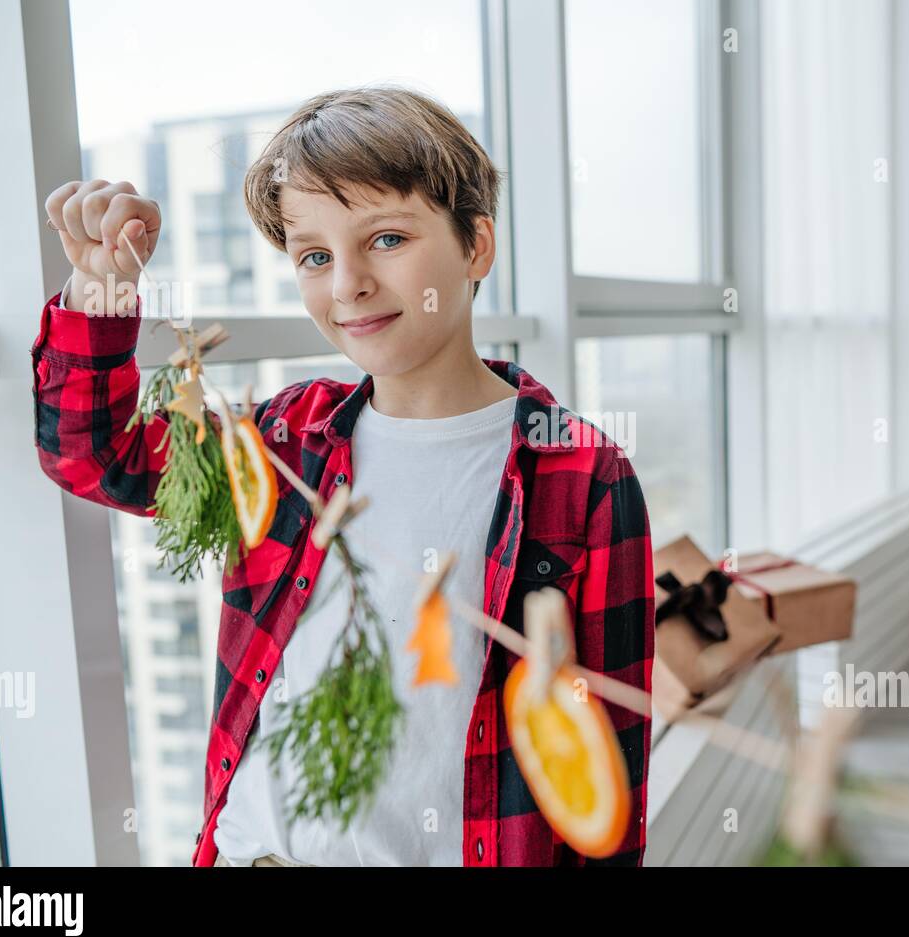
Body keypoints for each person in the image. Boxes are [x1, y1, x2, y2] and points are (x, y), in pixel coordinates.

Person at [32, 85, 653, 867]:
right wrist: (100, 288)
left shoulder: (582, 472)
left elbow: (604, 774)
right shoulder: (284, 439)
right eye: (315, 256)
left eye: (387, 239)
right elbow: (91, 455)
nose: (347, 284)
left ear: (476, 247)